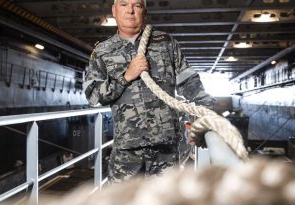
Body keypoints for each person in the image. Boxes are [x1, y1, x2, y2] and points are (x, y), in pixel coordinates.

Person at [84, 0, 215, 183]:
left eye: (136, 5)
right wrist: (126, 76)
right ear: (114, 10)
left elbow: (189, 81)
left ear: (144, 11)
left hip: (166, 148)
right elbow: (93, 95)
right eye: (123, 4)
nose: (130, 10)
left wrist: (207, 111)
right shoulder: (102, 51)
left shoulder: (166, 43)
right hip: (127, 150)